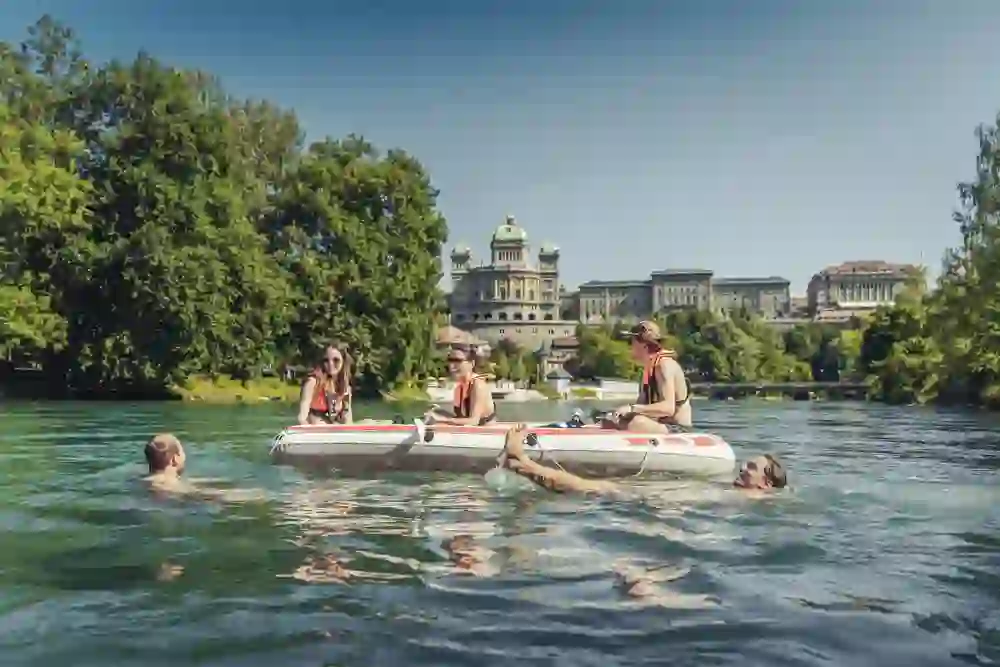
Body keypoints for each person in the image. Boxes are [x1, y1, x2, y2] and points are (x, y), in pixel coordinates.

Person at [500, 424, 786, 495]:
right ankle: (522, 465)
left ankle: (522, 463)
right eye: (746, 463)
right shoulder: (737, 491)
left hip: (662, 501)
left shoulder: (755, 499)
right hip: (664, 497)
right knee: (592, 486)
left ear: (765, 484)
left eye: (752, 468)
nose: (743, 468)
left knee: (593, 487)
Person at [604, 320, 692, 433]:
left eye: (632, 342)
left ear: (644, 345)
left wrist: (631, 408)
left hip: (678, 429)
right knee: (610, 419)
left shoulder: (664, 365)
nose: (630, 346)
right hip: (658, 425)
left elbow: (668, 408)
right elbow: (642, 406)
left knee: (636, 422)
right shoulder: (648, 369)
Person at [425, 345, 497, 426]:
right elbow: (459, 418)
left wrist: (441, 419)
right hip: (470, 434)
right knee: (436, 412)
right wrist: (438, 413)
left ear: (472, 363)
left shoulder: (478, 385)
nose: (451, 366)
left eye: (457, 360)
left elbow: (473, 421)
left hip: (486, 435)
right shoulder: (460, 387)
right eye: (450, 360)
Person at [297, 342, 354, 425]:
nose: (330, 364)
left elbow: (348, 419)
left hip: (334, 429)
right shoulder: (313, 382)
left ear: (343, 361)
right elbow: (302, 418)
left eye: (336, 360)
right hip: (316, 430)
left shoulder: (345, 387)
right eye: (326, 360)